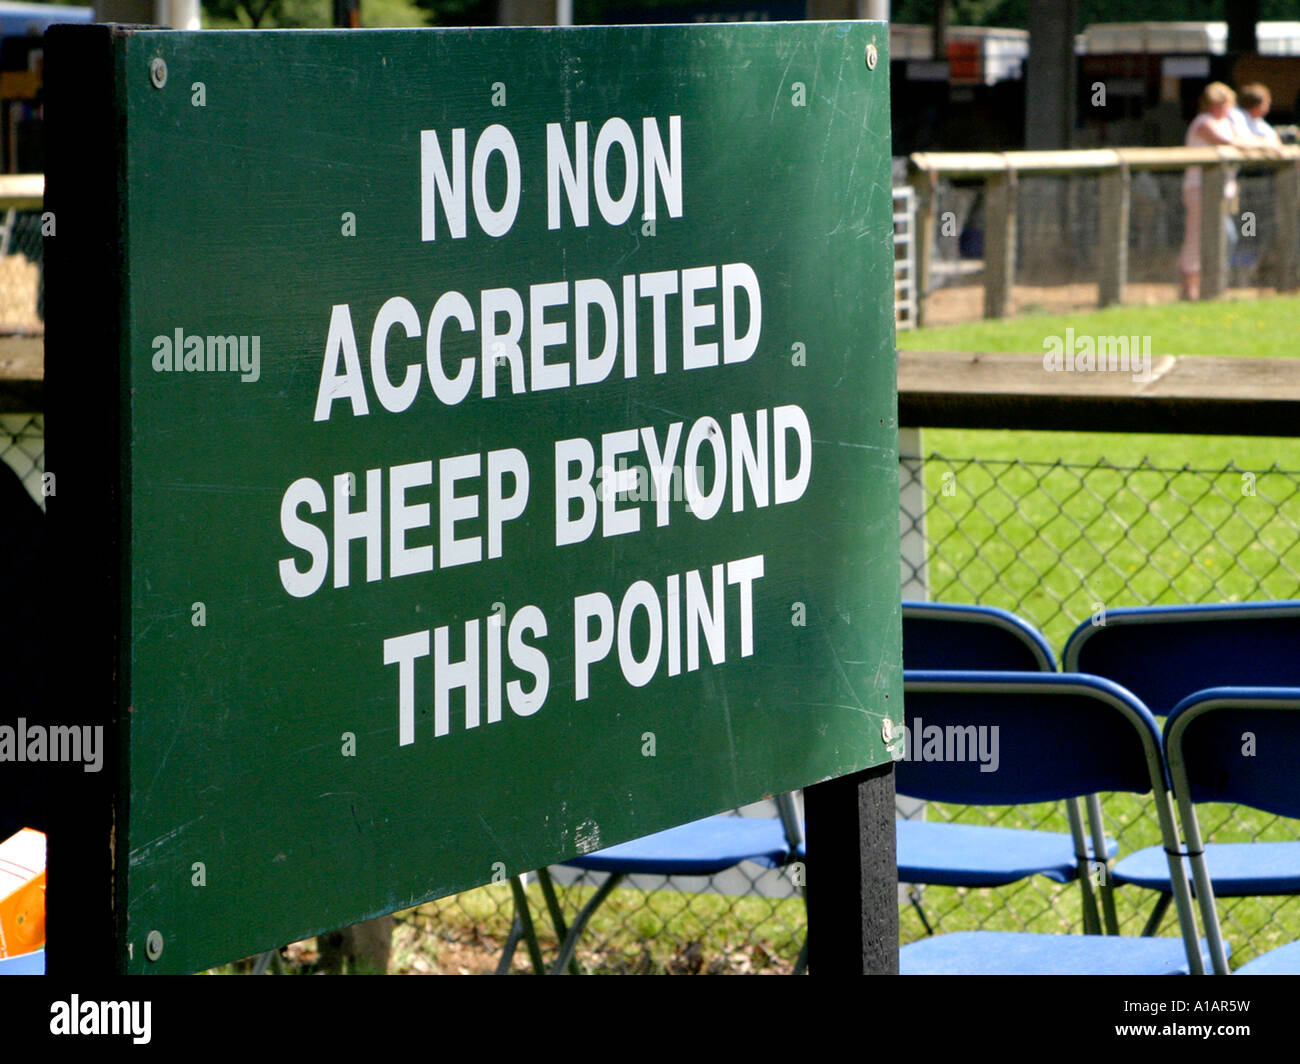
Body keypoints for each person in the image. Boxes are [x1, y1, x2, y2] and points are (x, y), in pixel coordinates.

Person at [1180, 83, 1267, 300]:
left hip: (1224, 192)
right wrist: (1255, 144)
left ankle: (1214, 283)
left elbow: (1249, 139)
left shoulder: (1228, 123)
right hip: (1199, 190)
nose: (1221, 108)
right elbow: (1229, 142)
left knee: (1227, 236)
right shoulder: (1203, 123)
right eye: (1217, 104)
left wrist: (1259, 143)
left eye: (1224, 104)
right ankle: (1190, 288)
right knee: (1197, 238)